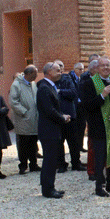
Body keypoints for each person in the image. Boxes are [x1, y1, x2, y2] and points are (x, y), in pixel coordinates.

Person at [82, 57, 110, 196]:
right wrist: (102, 95)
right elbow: (87, 106)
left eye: (108, 65)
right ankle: (99, 187)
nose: (106, 68)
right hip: (99, 128)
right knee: (100, 158)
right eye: (103, 66)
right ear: (96, 68)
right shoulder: (89, 83)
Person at [36, 63, 71, 198]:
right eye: (57, 70)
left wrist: (62, 115)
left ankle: (50, 186)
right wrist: (62, 118)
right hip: (48, 129)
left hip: (52, 128)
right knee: (50, 160)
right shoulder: (44, 88)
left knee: (51, 159)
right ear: (49, 71)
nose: (60, 72)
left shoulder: (49, 86)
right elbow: (49, 110)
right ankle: (48, 189)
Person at [9, 65, 39, 174]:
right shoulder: (17, 85)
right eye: (34, 75)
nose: (35, 77)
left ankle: (33, 164)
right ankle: (23, 165)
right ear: (29, 74)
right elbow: (13, 102)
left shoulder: (33, 84)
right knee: (23, 144)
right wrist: (24, 112)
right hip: (23, 119)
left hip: (34, 119)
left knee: (33, 143)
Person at [53, 60, 80, 172]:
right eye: (57, 67)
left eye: (61, 67)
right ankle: (61, 164)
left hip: (70, 115)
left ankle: (76, 163)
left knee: (73, 142)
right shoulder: (50, 81)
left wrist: (59, 91)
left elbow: (73, 93)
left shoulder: (67, 79)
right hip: (57, 116)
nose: (59, 70)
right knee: (59, 143)